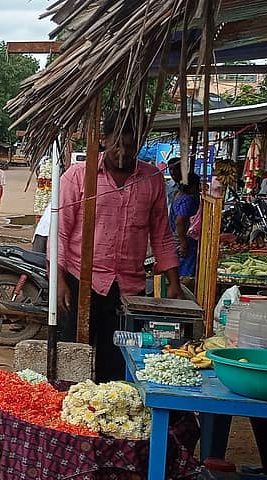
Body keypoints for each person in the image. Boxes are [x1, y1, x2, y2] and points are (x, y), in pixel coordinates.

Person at [57, 111, 181, 382]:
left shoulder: (152, 179)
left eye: (129, 146)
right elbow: (61, 232)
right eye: (117, 145)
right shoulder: (79, 175)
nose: (123, 152)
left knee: (117, 368)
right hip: (81, 282)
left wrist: (174, 282)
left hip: (128, 289)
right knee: (72, 362)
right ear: (104, 140)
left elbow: (161, 233)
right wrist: (59, 280)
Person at [170, 172, 200, 279]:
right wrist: (183, 243)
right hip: (183, 237)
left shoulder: (178, 195)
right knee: (185, 273)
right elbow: (180, 221)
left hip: (177, 236)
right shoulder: (187, 200)